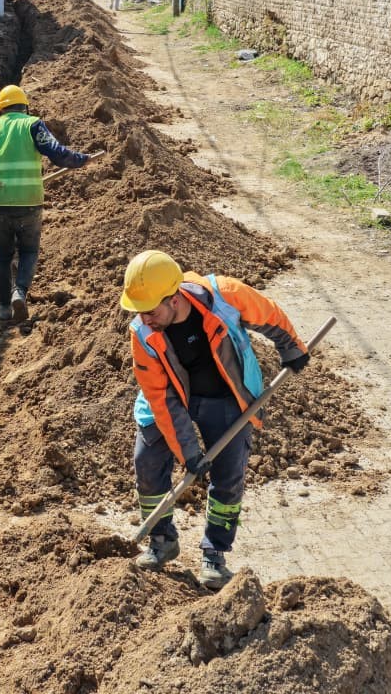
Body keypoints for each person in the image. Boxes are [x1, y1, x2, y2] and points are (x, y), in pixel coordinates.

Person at [119, 250, 309, 590]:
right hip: (170, 396)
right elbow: (162, 399)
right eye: (139, 312)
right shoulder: (142, 334)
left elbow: (269, 316)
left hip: (224, 395)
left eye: (150, 310)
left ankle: (214, 555)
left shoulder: (224, 296)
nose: (143, 319)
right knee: (146, 462)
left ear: (174, 298)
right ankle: (162, 540)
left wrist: (291, 347)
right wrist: (187, 451)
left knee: (228, 473)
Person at [0, 84, 91, 322]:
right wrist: (81, 160)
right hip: (28, 201)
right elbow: (56, 153)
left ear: (0, 109)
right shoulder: (32, 124)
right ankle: (19, 292)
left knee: (2, 255)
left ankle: (3, 308)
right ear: (25, 106)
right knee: (28, 250)